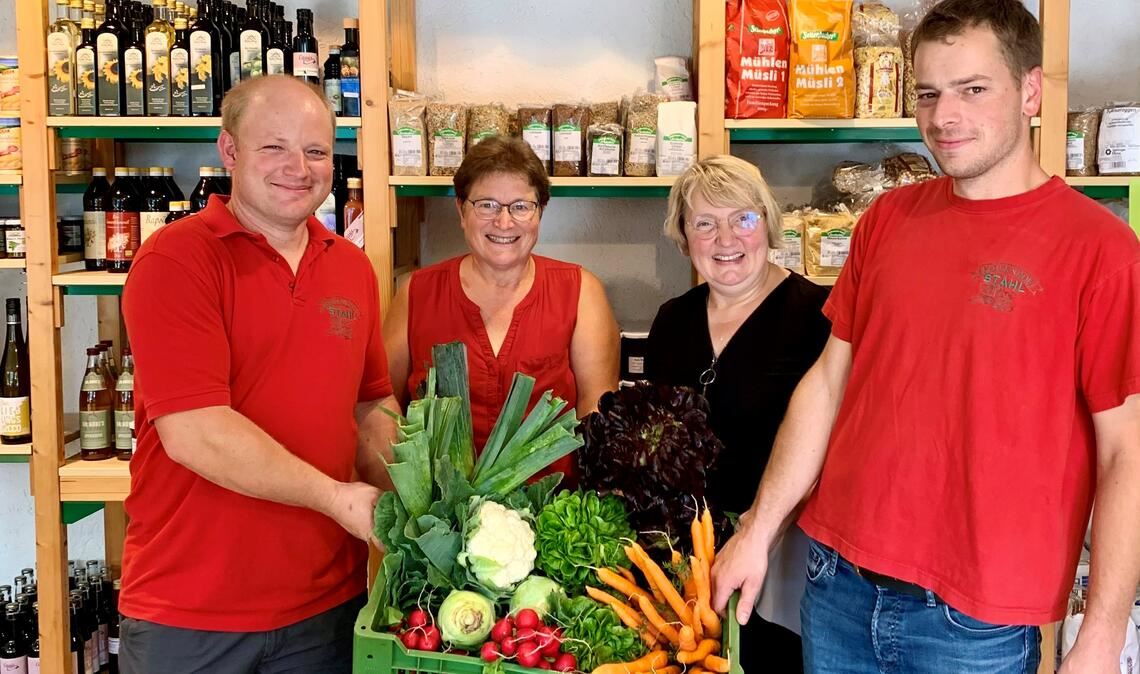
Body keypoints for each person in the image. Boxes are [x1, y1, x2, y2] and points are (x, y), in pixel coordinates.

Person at [711, 1, 1140, 673]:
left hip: (976, 623)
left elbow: (1126, 454)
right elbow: (828, 383)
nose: (944, 117)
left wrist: (1102, 636)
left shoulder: (1101, 251)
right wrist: (757, 529)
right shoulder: (888, 219)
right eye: (929, 94)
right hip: (837, 584)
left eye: (974, 89)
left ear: (1030, 91)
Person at [119, 75, 397, 673]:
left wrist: (426, 496)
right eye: (274, 147)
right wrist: (336, 497)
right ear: (230, 150)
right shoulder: (176, 259)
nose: (298, 168)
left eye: (316, 151)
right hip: (193, 611)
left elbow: (370, 407)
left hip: (327, 605)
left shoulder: (351, 268)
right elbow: (196, 431)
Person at [647, 155, 829, 672]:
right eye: (704, 223)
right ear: (684, 237)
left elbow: (829, 456)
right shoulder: (672, 321)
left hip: (783, 565)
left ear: (767, 224)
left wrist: (758, 536)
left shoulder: (819, 316)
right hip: (684, 572)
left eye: (742, 219)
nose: (725, 239)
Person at [383, 136, 619, 484]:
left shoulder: (581, 292)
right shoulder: (415, 294)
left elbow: (596, 414)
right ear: (461, 210)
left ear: (540, 212)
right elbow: (381, 408)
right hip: (438, 513)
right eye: (487, 205)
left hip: (552, 508)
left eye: (521, 206)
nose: (504, 222)